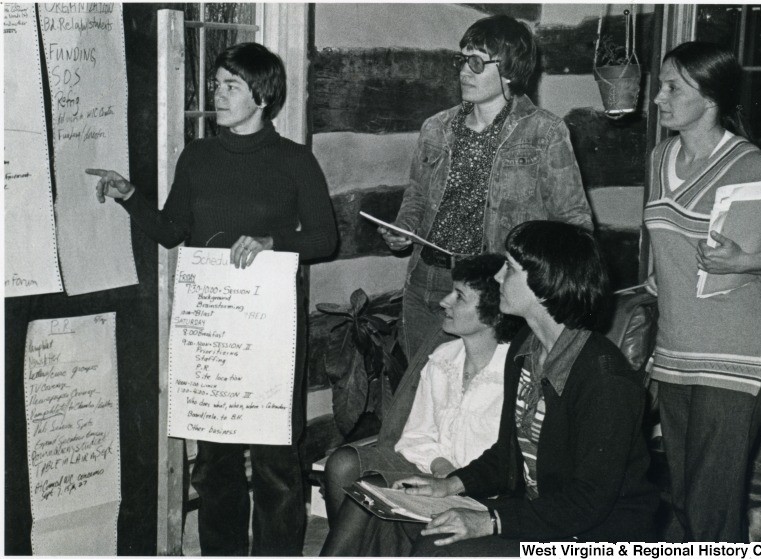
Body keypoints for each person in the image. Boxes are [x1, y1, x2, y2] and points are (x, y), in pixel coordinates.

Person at [87, 43, 337, 555]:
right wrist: (128, 195)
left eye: (231, 86)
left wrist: (273, 242)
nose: (217, 94)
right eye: (216, 84)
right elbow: (173, 231)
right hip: (211, 331)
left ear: (262, 96)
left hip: (270, 332)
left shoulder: (295, 161)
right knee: (215, 464)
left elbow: (325, 239)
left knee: (275, 465)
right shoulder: (198, 156)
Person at [395, 221, 659, 554]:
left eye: (510, 268)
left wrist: (491, 521)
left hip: (598, 537)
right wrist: (449, 485)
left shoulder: (606, 380)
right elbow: (508, 454)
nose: (497, 277)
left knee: (439, 548)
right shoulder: (526, 350)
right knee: (401, 520)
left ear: (545, 282)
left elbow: (588, 501)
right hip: (545, 517)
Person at [643, 41, 761, 542]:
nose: (659, 98)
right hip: (676, 348)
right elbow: (665, 238)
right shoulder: (659, 156)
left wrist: (749, 260)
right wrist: (661, 274)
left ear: (709, 99)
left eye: (672, 88)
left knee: (710, 507)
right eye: (660, 85)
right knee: (685, 497)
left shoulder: (760, 171)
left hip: (737, 352)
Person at [380, 14, 593, 361]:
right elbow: (417, 195)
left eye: (477, 62)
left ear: (509, 70)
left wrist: (531, 282)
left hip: (493, 288)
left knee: (485, 397)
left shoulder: (545, 132)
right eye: (462, 60)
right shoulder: (436, 127)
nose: (465, 71)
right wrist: (403, 228)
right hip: (427, 279)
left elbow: (575, 223)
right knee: (423, 390)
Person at [320, 254, 523, 556]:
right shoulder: (443, 359)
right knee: (352, 475)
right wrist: (442, 468)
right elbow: (416, 436)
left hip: (483, 490)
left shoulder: (515, 372)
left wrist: (458, 479)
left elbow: (512, 463)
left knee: (369, 492)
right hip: (435, 472)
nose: (445, 302)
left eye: (460, 296)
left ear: (493, 314)